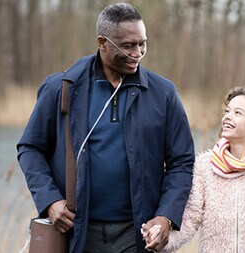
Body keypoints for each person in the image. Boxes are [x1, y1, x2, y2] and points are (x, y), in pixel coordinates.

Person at [17, 3, 195, 252]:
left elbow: (182, 163)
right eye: (128, 45)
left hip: (136, 235)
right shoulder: (61, 88)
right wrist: (50, 201)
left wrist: (166, 217)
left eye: (142, 43)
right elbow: (30, 148)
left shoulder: (163, 93)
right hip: (75, 233)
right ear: (102, 42)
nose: (138, 53)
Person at [142, 87, 245, 252]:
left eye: (238, 113)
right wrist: (161, 238)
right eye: (227, 111)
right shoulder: (204, 167)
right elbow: (189, 219)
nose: (227, 116)